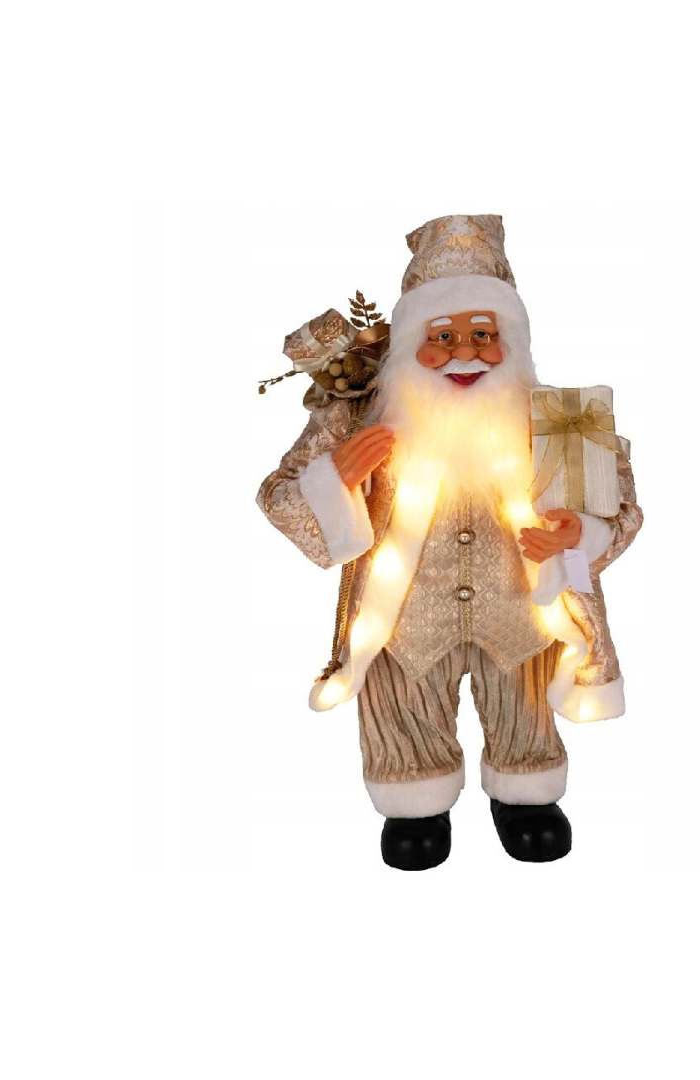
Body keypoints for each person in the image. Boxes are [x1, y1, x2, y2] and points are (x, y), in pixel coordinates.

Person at [257, 214, 642, 870]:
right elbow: (278, 495)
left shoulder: (559, 418)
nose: (466, 351)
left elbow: (622, 504)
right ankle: (414, 797)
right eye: (443, 336)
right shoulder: (360, 416)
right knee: (403, 701)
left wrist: (583, 532)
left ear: (511, 341)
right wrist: (336, 476)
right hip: (403, 620)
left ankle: (525, 791)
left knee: (523, 704)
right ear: (412, 342)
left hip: (521, 616)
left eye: (483, 334)